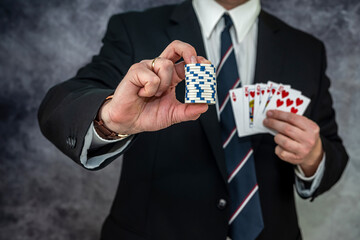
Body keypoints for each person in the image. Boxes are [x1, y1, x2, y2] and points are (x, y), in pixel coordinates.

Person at [38, 0, 348, 239]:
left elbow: (332, 152)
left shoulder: (307, 49)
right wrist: (110, 119)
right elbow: (63, 104)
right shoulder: (135, 29)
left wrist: (314, 156)